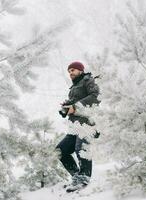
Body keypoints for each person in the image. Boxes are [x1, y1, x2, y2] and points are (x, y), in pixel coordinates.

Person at [56, 61, 100, 192]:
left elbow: (95, 96)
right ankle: (77, 176)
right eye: (69, 71)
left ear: (80, 70)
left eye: (73, 70)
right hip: (75, 125)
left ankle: (84, 178)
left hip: (87, 123)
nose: (70, 73)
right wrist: (67, 105)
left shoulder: (88, 80)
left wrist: (74, 107)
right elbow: (75, 104)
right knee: (59, 151)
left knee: (81, 149)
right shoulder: (74, 87)